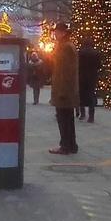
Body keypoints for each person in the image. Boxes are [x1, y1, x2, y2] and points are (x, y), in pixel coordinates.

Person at [49, 22, 79, 155]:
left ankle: (66, 145)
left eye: (57, 32)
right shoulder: (64, 46)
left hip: (64, 90)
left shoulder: (66, 47)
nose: (55, 34)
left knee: (64, 119)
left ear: (63, 33)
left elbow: (66, 71)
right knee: (67, 118)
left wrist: (62, 91)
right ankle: (71, 145)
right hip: (65, 89)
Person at [77, 38, 101, 123]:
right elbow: (99, 65)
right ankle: (91, 116)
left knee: (81, 95)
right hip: (92, 77)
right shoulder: (96, 53)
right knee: (91, 95)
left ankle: (82, 114)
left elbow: (77, 64)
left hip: (81, 76)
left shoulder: (80, 53)